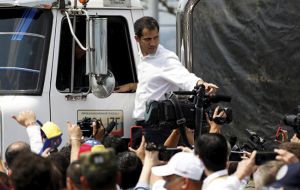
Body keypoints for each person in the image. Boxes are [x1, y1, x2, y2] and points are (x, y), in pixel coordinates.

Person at [116, 16, 218, 144]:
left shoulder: (166, 58)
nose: (153, 43)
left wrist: (201, 84)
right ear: (137, 39)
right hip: (142, 125)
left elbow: (184, 76)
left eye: (156, 37)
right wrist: (132, 86)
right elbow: (153, 82)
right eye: (148, 39)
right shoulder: (139, 56)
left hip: (159, 128)